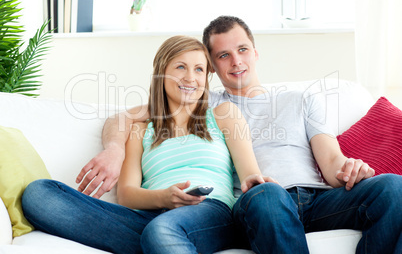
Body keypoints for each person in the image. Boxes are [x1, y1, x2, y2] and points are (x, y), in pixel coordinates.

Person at [77, 16, 402, 254]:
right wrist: (115, 149)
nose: (236, 62)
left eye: (242, 49)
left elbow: (332, 163)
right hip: (257, 202)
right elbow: (122, 117)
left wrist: (351, 167)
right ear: (212, 69)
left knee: (393, 187)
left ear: (256, 53)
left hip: (315, 200)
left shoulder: (300, 99)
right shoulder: (204, 104)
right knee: (268, 196)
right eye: (223, 56)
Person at [22, 35, 269, 254]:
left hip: (210, 211)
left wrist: (257, 181)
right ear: (161, 72)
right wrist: (164, 198)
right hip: (150, 216)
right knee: (39, 194)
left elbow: (250, 173)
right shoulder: (141, 127)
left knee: (162, 230)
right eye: (180, 67)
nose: (190, 77)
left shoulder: (224, 114)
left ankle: (161, 239)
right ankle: (160, 244)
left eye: (199, 70)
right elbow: (127, 195)